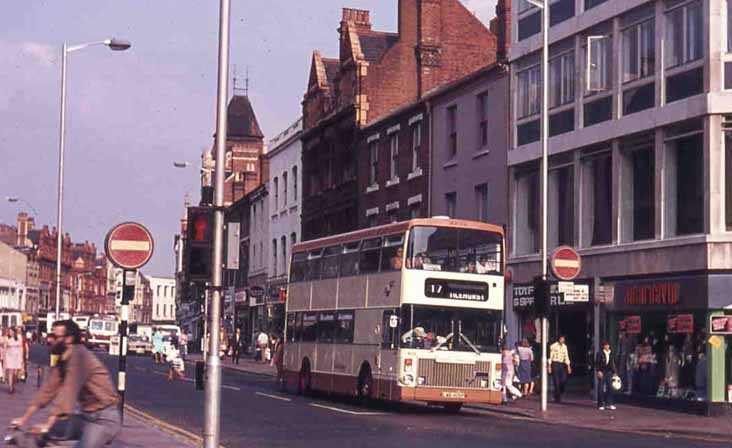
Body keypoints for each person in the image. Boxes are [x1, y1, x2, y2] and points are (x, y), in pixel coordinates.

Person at [12, 320, 120, 447]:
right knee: (44, 437)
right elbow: (48, 390)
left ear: (69, 339)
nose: (50, 340)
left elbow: (68, 391)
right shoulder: (64, 358)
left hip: (103, 420)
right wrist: (23, 419)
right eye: (50, 335)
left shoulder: (80, 356)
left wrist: (48, 424)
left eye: (55, 337)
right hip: (85, 416)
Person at [548, 335, 572, 403]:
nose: (562, 340)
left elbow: (566, 356)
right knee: (556, 381)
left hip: (562, 364)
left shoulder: (565, 346)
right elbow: (550, 356)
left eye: (563, 339)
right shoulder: (553, 346)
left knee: (564, 379)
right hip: (555, 363)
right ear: (559, 339)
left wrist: (568, 366)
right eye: (561, 339)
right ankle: (557, 397)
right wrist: (549, 366)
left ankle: (558, 392)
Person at [595, 341, 617, 410]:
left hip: (609, 372)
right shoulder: (600, 353)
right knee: (601, 388)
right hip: (602, 371)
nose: (607, 347)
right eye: (606, 345)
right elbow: (597, 363)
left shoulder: (610, 353)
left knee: (610, 387)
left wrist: (614, 372)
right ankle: (600, 404)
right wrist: (598, 371)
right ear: (603, 346)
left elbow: (612, 363)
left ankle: (609, 403)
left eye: (608, 345)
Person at [3, 327, 24, 394]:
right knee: (10, 372)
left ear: (14, 332)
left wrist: (22, 358)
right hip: (9, 356)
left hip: (17, 356)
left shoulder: (19, 338)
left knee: (15, 373)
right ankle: (10, 387)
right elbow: (5, 349)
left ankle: (13, 384)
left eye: (11, 332)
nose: (10, 333)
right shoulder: (7, 339)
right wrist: (4, 359)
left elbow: (21, 348)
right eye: (9, 332)